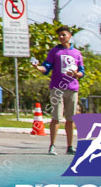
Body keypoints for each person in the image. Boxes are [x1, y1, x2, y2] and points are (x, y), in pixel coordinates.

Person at [32, 25, 85, 155]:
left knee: (70, 119)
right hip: (57, 88)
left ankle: (70, 146)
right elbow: (46, 67)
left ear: (69, 36)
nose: (61, 37)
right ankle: (52, 145)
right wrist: (38, 68)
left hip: (72, 89)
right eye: (59, 35)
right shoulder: (54, 52)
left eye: (63, 35)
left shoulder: (77, 53)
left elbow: (82, 71)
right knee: (56, 118)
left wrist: (76, 74)